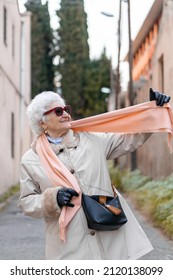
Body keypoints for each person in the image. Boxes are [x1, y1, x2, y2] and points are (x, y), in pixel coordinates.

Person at [18, 88, 171, 260]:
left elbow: (130, 138)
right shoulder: (30, 160)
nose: (66, 115)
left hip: (109, 236)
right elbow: (26, 202)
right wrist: (52, 199)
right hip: (68, 247)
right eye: (58, 111)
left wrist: (152, 111)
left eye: (66, 109)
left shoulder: (92, 139)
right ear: (42, 123)